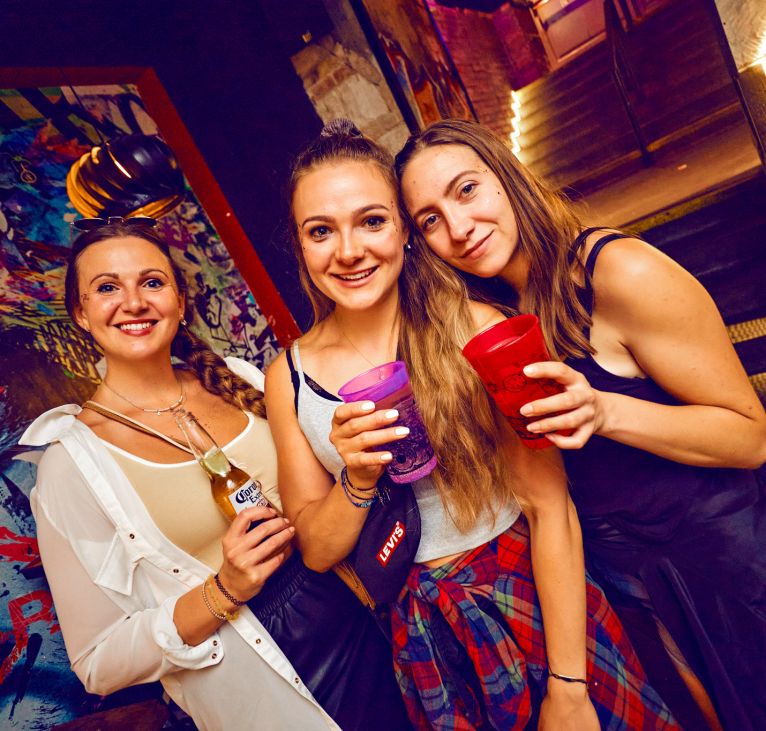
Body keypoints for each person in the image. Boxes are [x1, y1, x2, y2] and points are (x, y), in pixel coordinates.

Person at [265, 119, 677, 730]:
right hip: (423, 629)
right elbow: (319, 552)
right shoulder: (288, 377)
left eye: (371, 221)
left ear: (405, 230)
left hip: (531, 593)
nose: (348, 252)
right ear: (301, 246)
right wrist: (357, 477)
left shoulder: (476, 328)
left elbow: (549, 508)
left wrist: (569, 687)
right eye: (320, 231)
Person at [395, 117, 766, 731]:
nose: (458, 228)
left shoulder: (617, 272)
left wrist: (606, 410)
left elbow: (751, 436)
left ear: (507, 177)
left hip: (718, 557)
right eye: (430, 220)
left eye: (467, 190)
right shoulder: (493, 313)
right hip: (619, 577)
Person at [20, 219, 409, 731]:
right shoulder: (71, 466)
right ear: (81, 313)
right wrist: (223, 589)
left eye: (152, 282)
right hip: (265, 687)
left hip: (367, 616)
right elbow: (98, 662)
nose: (134, 302)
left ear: (180, 301)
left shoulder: (237, 378)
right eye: (108, 288)